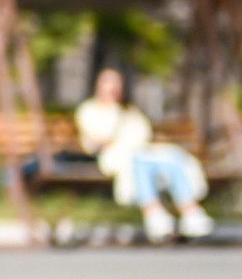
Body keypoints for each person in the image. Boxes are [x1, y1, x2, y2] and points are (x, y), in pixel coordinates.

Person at [74, 68, 215, 242]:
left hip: (144, 154)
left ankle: (190, 212)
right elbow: (94, 140)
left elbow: (143, 134)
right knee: (139, 160)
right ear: (99, 85)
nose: (112, 87)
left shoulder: (129, 110)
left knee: (172, 159)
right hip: (116, 158)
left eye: (116, 83)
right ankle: (153, 212)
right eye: (108, 82)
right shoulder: (89, 109)